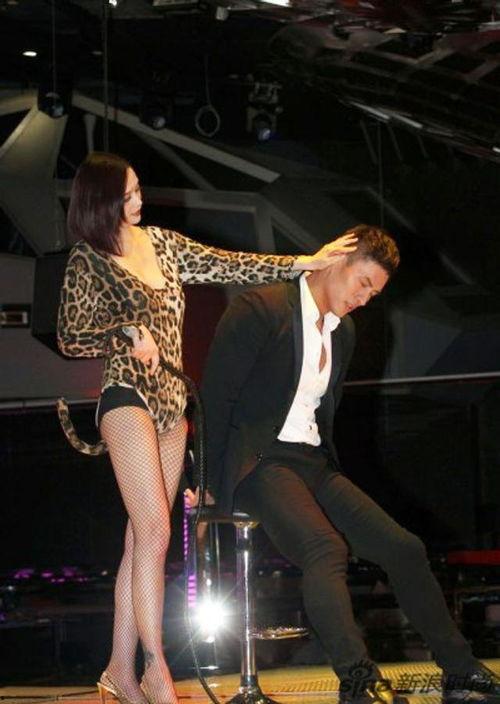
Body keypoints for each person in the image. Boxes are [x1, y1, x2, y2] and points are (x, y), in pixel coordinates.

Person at [56, 151, 358, 704]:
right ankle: (156, 668)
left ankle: (118, 669)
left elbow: (228, 264)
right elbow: (70, 337)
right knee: (155, 531)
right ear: (101, 200)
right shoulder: (87, 259)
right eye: (128, 193)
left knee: (140, 540)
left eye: (138, 189)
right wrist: (124, 330)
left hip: (173, 402)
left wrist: (305, 262)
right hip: (127, 396)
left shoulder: (162, 244)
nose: (139, 200)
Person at [200, 224, 500, 704]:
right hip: (259, 462)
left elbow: (322, 413)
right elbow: (214, 400)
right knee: (325, 549)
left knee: (404, 548)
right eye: (362, 284)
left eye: (373, 294)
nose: (363, 299)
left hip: (311, 463)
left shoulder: (343, 332)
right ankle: (357, 678)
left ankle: (460, 670)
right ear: (338, 260)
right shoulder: (261, 308)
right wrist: (207, 482)